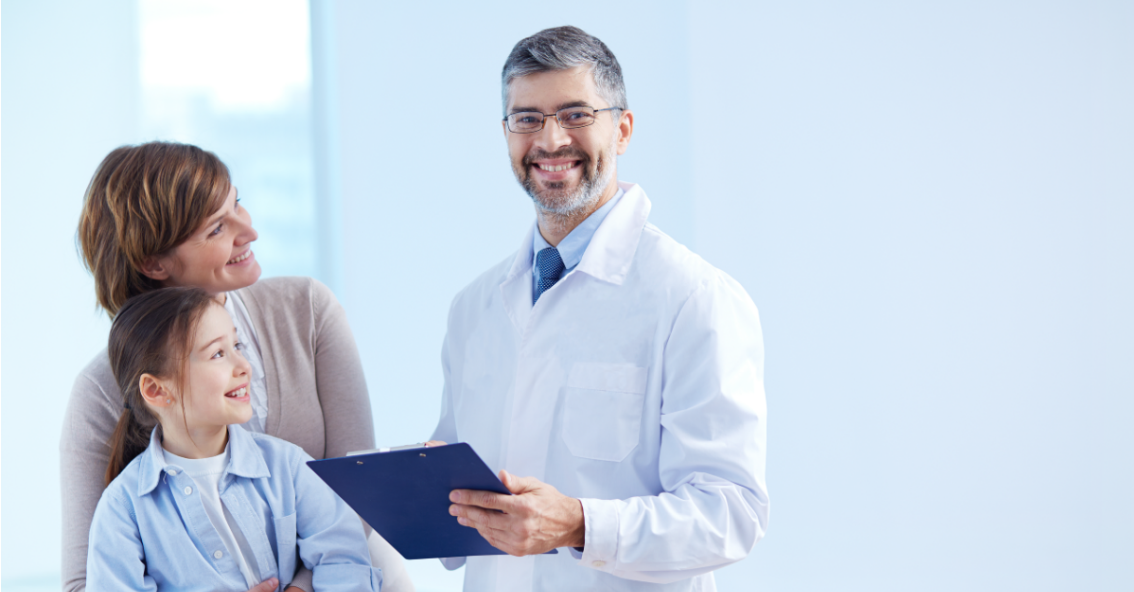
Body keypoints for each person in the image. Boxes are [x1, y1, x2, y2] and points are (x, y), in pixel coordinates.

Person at [432, 26, 769, 591]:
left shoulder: (692, 298)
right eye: (528, 118)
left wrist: (579, 525)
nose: (550, 139)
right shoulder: (474, 310)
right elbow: (463, 501)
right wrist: (421, 490)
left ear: (624, 128)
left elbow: (731, 514)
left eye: (576, 115)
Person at [62, 142, 413, 592]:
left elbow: (357, 498)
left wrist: (300, 588)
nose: (249, 231)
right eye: (216, 228)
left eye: (238, 204)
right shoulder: (99, 394)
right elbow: (85, 582)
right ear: (154, 263)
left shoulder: (307, 309)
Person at [88, 287, 382, 592]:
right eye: (217, 353)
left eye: (237, 345)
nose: (244, 366)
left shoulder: (288, 466)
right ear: (157, 391)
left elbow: (346, 559)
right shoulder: (123, 508)